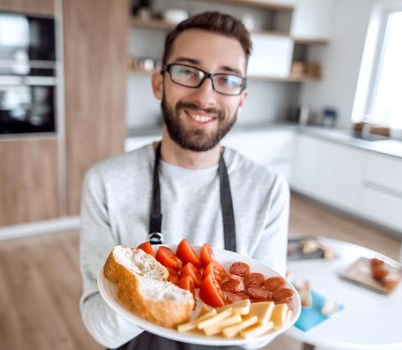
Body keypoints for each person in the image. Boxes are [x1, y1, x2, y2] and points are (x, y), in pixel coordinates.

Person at [79, 11, 290, 350]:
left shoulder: (268, 188)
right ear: (159, 83)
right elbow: (100, 326)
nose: (206, 97)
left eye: (228, 79)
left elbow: (261, 333)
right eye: (188, 72)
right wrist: (148, 286)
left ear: (242, 99)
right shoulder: (105, 183)